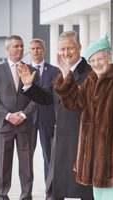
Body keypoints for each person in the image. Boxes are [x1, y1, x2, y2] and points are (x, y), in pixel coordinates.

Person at [18, 35, 113, 200]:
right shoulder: (85, 79)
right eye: (93, 60)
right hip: (89, 151)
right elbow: (70, 101)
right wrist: (36, 84)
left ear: (108, 58)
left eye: (100, 59)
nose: (96, 63)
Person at [20, 31, 94, 200]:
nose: (66, 53)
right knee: (55, 189)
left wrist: (67, 75)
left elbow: (78, 101)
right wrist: (29, 86)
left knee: (85, 192)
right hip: (60, 140)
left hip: (81, 141)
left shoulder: (90, 74)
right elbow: (47, 97)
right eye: (62, 49)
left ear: (79, 47)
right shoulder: (61, 72)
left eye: (70, 48)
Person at [0, 35, 37, 200]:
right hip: (4, 125)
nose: (20, 49)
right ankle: (1, 196)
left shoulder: (30, 70)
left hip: (25, 125)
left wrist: (23, 115)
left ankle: (26, 197)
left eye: (22, 46)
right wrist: (9, 116)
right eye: (16, 46)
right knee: (3, 166)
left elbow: (36, 98)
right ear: (7, 49)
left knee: (26, 167)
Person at [29, 38, 58, 198]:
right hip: (28, 120)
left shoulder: (54, 71)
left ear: (44, 50)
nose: (35, 51)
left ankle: (50, 193)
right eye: (32, 48)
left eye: (38, 48)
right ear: (30, 51)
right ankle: (26, 193)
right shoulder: (23, 70)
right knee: (26, 159)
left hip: (48, 119)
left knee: (49, 157)